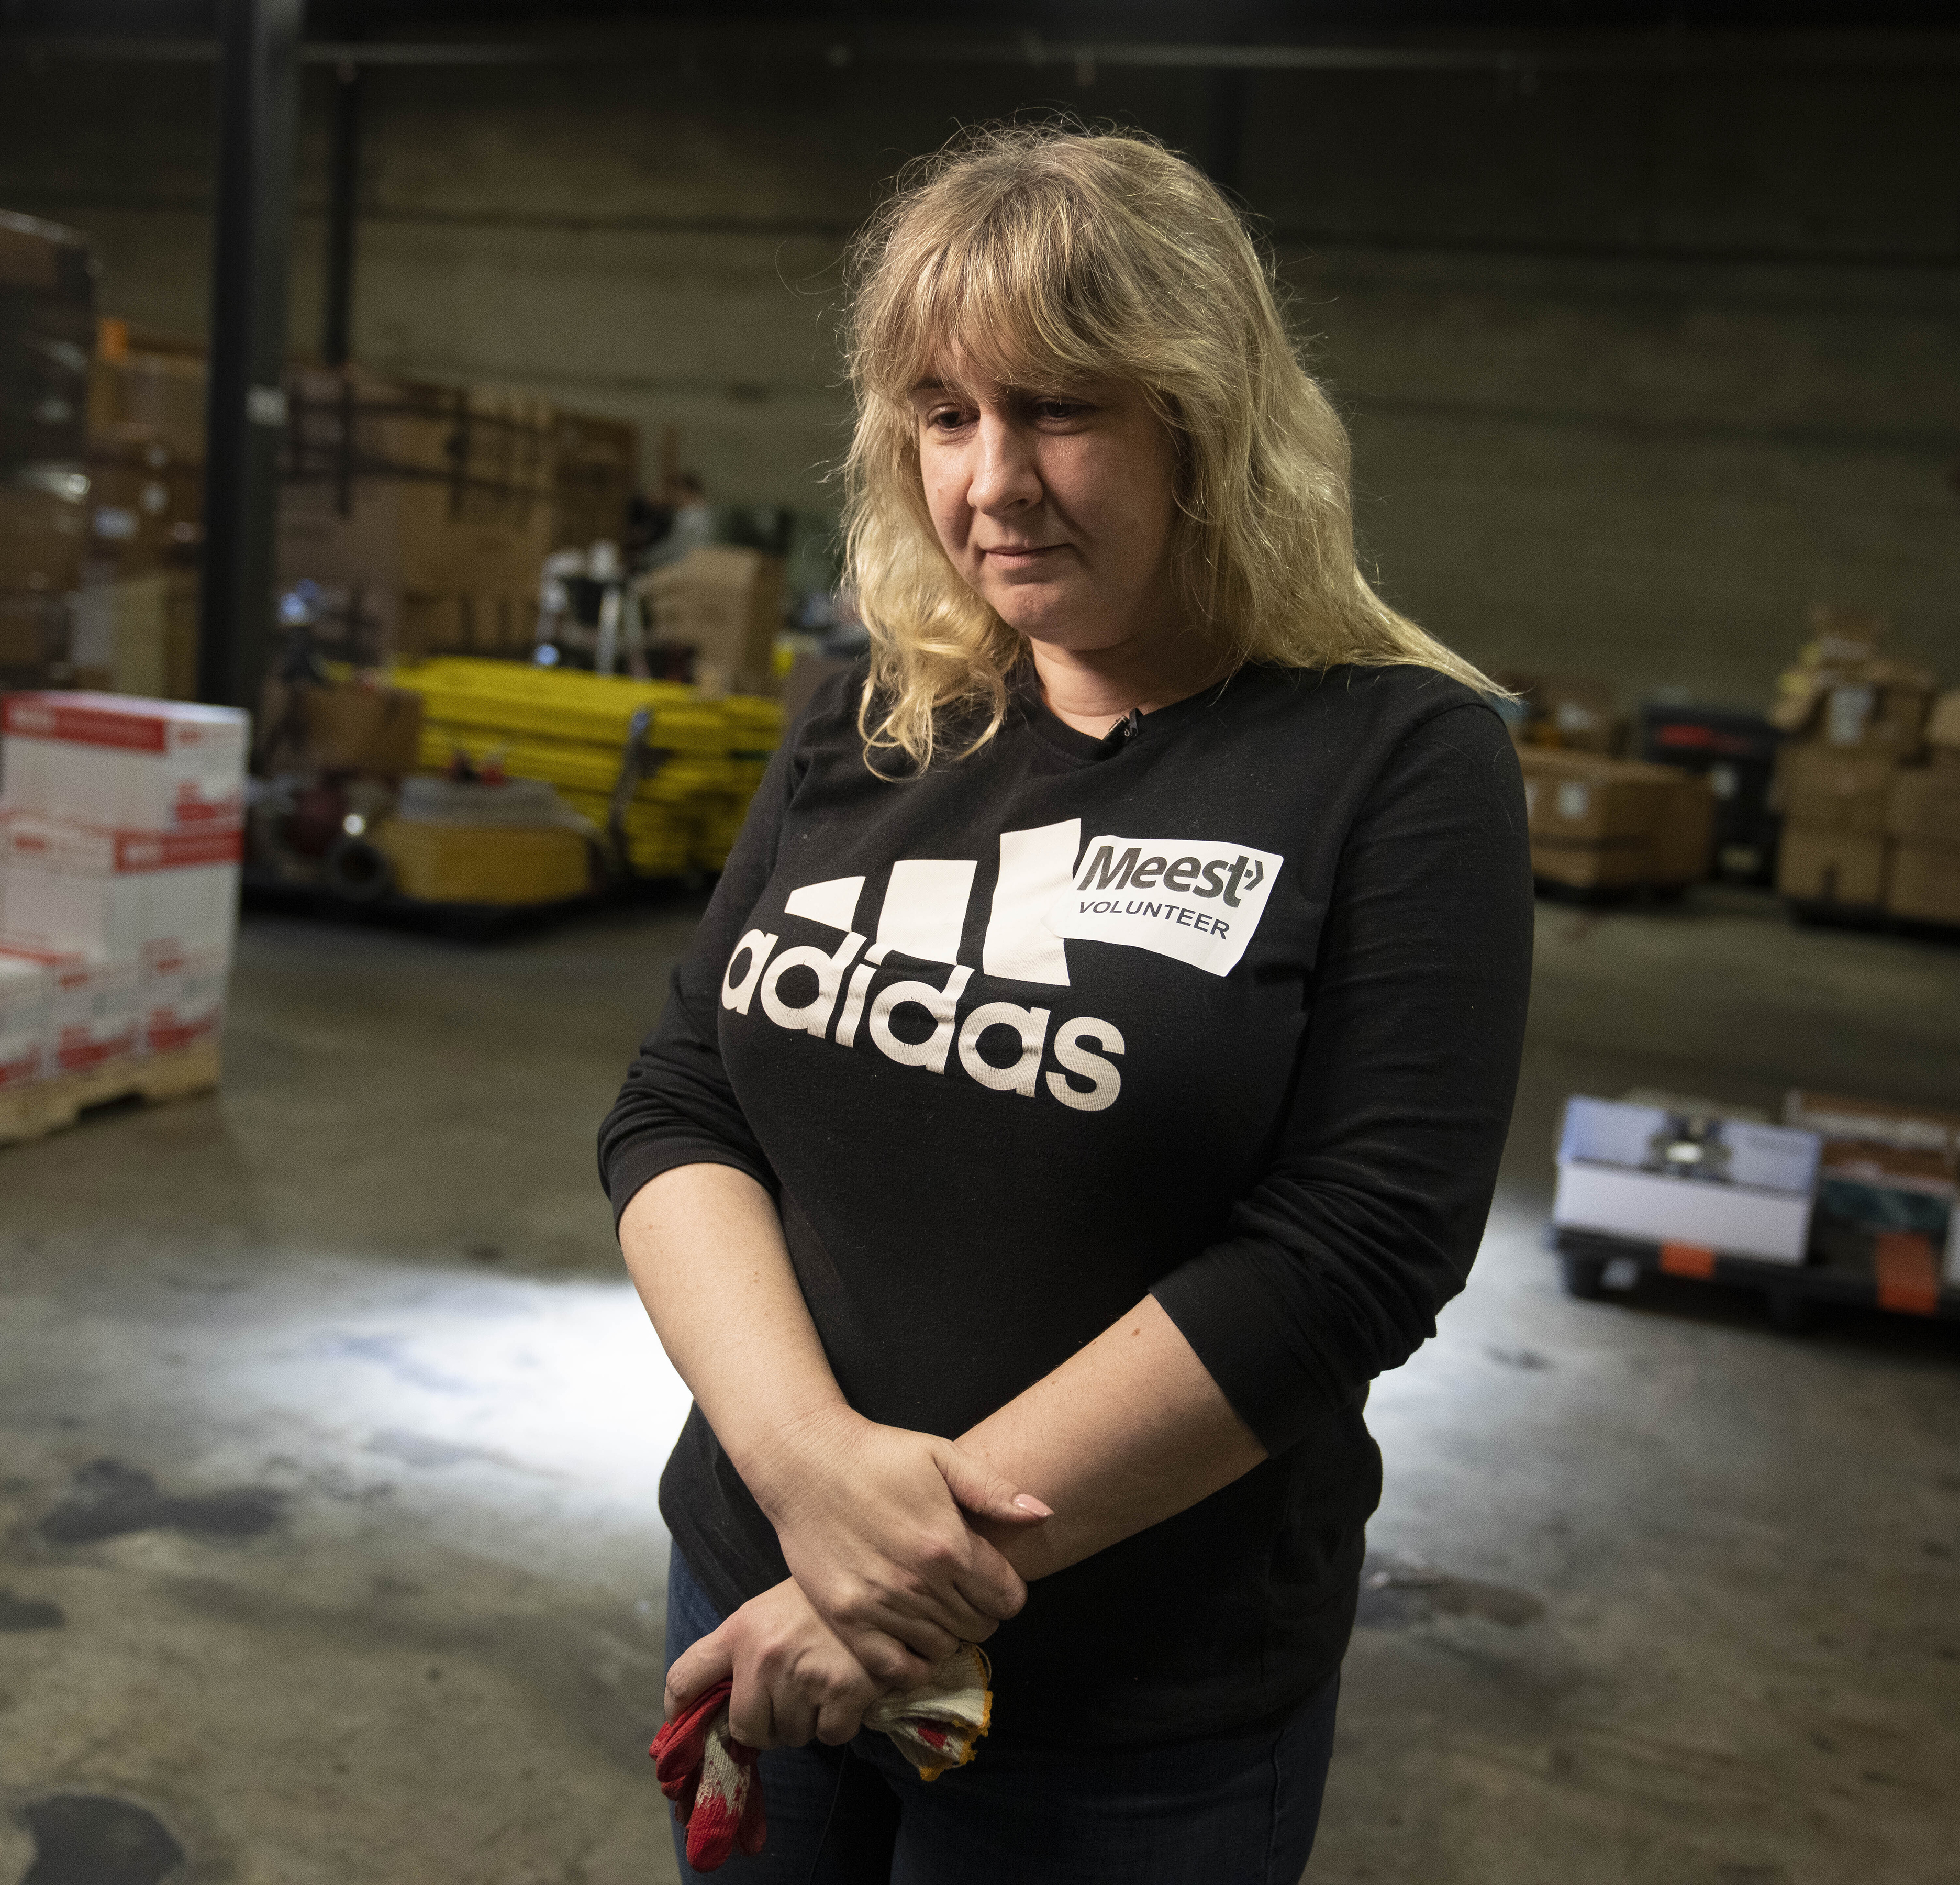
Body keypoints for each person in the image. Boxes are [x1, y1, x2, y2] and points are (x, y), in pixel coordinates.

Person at [598, 122, 1531, 1883]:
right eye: (945, 416)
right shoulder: (864, 722)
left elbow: (1356, 1248)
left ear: (1209, 421)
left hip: (1122, 1716)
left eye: (1062, 409)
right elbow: (682, 1106)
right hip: (758, 1596)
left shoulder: (1398, 763)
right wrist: (805, 1484)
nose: (995, 481)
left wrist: (901, 1573)